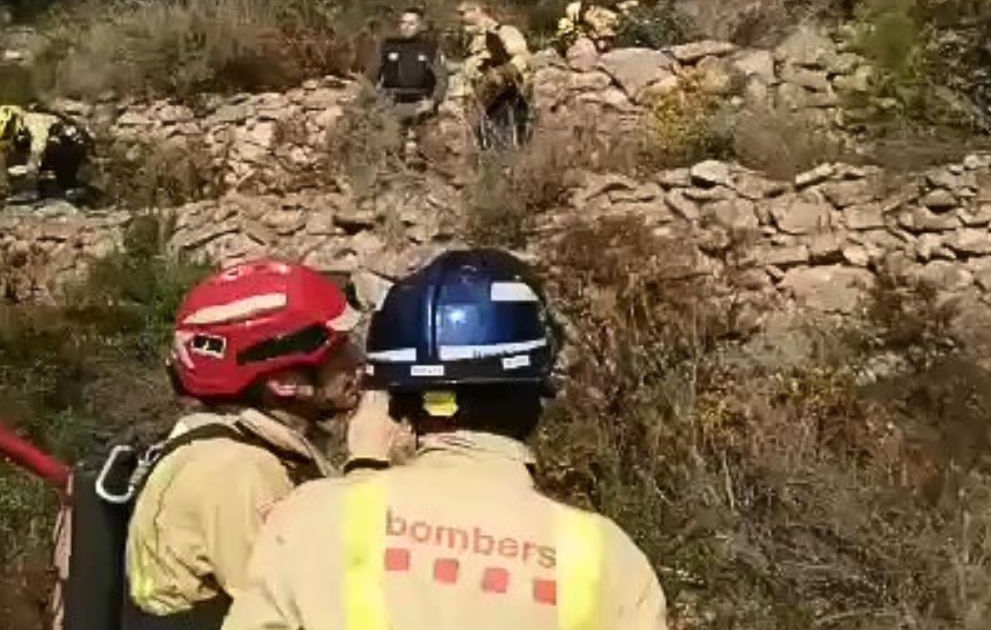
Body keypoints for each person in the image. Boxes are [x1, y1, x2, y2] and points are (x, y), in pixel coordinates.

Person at [224, 249, 669, 630]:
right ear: (535, 393)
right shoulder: (609, 562)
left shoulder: (309, 519)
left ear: (395, 402)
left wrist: (362, 469)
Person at [122, 259, 383, 629]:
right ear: (284, 382)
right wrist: (370, 463)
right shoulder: (237, 472)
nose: (357, 360)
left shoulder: (244, 447)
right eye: (338, 350)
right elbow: (315, 610)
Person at [457, 1, 533, 150]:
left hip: (505, 102)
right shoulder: (473, 41)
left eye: (464, 12)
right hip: (481, 105)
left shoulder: (503, 32)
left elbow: (523, 58)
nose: (460, 17)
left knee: (506, 148)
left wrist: (501, 73)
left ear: (480, 10)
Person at [0, 104, 93, 204]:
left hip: (74, 146)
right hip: (59, 147)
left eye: (6, 133)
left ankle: (71, 186)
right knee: (19, 149)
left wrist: (30, 184)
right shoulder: (19, 130)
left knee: (51, 146)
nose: (6, 137)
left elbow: (37, 150)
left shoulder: (34, 123)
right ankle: (45, 181)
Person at [375, 7, 446, 125]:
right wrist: (378, 99)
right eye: (403, 23)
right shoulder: (387, 47)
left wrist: (433, 101)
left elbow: (442, 79)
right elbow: (372, 77)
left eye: (411, 24)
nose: (406, 27)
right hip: (391, 104)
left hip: (420, 105)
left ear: (420, 26)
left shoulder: (430, 49)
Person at [555, 0, 623, 53]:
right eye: (586, 10)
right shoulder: (586, 30)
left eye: (589, 7)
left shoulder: (602, 14)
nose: (591, 8)